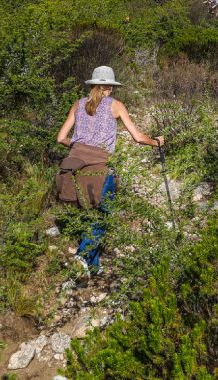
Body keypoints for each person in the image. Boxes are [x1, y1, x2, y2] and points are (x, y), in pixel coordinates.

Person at [55, 65, 164, 273]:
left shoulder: (78, 105)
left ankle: (93, 266)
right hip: (100, 171)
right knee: (104, 214)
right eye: (111, 87)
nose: (112, 90)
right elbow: (138, 138)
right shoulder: (116, 106)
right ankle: (82, 257)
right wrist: (156, 142)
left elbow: (60, 138)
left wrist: (79, 147)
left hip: (74, 168)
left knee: (90, 214)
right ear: (109, 88)